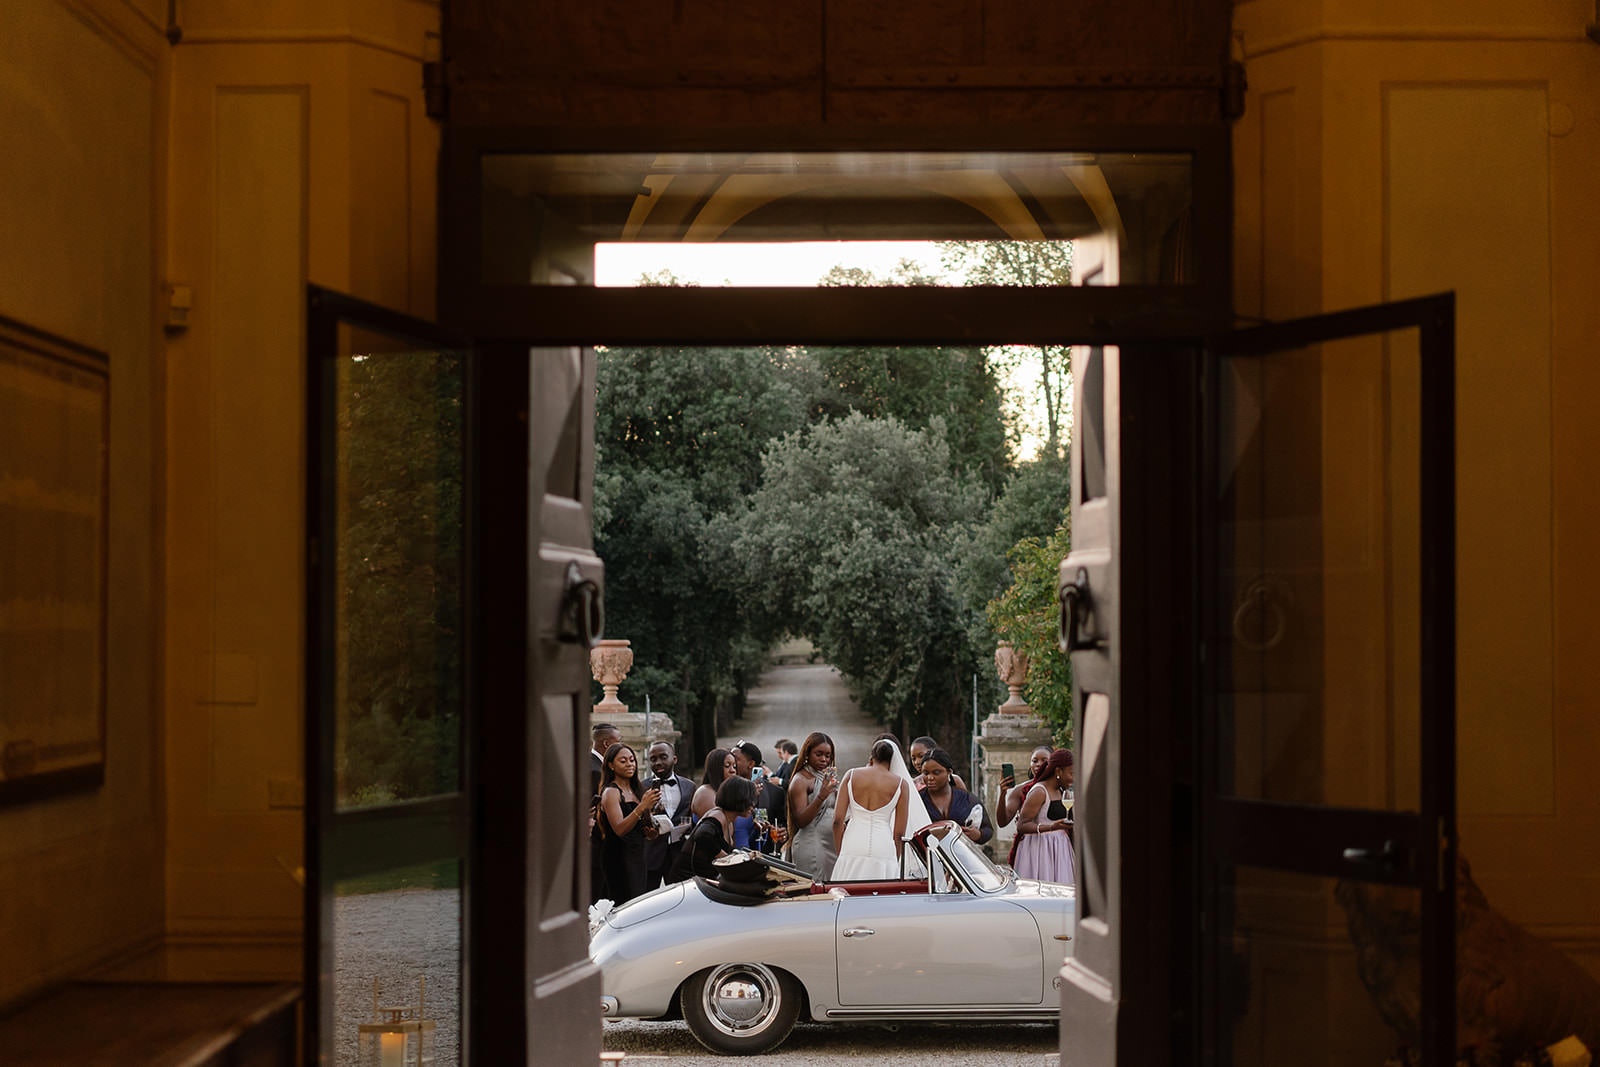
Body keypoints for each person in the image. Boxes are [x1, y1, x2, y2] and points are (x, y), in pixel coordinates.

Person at [830, 738, 911, 881]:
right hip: (883, 845)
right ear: (892, 761)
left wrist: (840, 850)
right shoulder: (901, 785)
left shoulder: (851, 775)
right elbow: (899, 833)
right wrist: (894, 857)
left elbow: (837, 821)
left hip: (853, 841)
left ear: (871, 757)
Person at [597, 742, 661, 904]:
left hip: (637, 855)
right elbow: (619, 829)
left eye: (632, 760)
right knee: (623, 903)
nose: (629, 764)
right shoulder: (611, 792)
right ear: (611, 765)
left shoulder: (637, 790)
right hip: (618, 857)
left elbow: (638, 825)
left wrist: (650, 831)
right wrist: (642, 806)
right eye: (623, 761)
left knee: (639, 902)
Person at [669, 776, 756, 883]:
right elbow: (702, 835)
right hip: (687, 882)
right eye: (749, 800)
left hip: (701, 881)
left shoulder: (728, 820)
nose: (753, 805)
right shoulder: (718, 816)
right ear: (738, 798)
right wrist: (726, 858)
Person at [1013, 748, 1075, 885]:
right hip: (1040, 850)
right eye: (1071, 773)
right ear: (1058, 771)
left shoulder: (1062, 791)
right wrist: (1052, 827)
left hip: (1059, 849)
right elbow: (1022, 825)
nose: (1074, 778)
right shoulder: (1039, 792)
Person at [784, 731, 840, 879]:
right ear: (807, 753)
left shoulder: (826, 777)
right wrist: (821, 796)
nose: (824, 759)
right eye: (819, 754)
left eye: (828, 755)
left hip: (830, 845)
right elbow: (800, 821)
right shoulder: (800, 780)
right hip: (811, 844)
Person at [643, 741, 696, 889]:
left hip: (679, 854)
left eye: (663, 757)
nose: (658, 762)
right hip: (651, 855)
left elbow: (692, 818)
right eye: (653, 759)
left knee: (681, 895)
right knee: (648, 898)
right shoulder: (641, 787)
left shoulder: (689, 786)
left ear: (674, 759)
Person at [918, 748, 992, 845]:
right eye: (926, 773)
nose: (930, 778)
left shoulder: (967, 799)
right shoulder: (918, 801)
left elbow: (988, 830)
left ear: (949, 772)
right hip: (928, 852)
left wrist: (978, 835)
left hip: (959, 852)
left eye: (936, 772)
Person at [732, 740, 788, 851]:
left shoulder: (775, 792)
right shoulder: (726, 789)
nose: (732, 763)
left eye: (736, 759)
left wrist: (782, 832)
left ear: (751, 764)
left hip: (764, 854)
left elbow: (782, 824)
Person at [589, 723, 621, 904]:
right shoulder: (595, 770)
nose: (622, 745)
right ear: (607, 744)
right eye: (619, 740)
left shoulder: (590, 763)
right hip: (596, 845)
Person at [995, 745, 1053, 829]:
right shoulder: (1020, 790)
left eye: (1044, 761)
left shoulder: (1060, 788)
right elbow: (1002, 822)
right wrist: (1002, 793)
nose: (1039, 764)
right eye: (1035, 761)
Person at [691, 747, 736, 820]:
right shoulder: (706, 792)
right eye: (727, 766)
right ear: (716, 768)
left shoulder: (726, 792)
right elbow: (717, 822)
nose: (733, 770)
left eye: (734, 766)